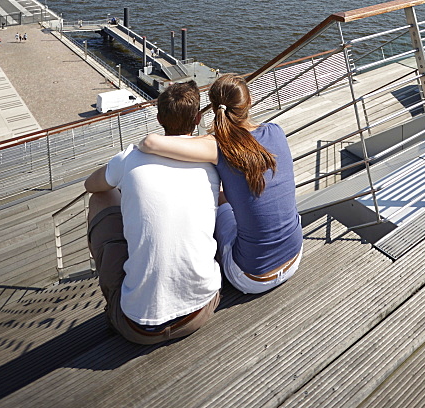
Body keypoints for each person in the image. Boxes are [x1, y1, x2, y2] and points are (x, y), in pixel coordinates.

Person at [139, 73, 302, 295]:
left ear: (214, 108)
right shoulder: (276, 131)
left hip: (251, 278)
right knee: (236, 201)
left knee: (215, 206)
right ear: (249, 102)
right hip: (294, 257)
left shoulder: (217, 146)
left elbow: (150, 142)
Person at [84, 81, 221, 344]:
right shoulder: (210, 159)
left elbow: (91, 186)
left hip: (137, 326)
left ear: (159, 119)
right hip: (201, 309)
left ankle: (113, 292)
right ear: (198, 118)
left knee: (101, 198)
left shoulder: (130, 158)